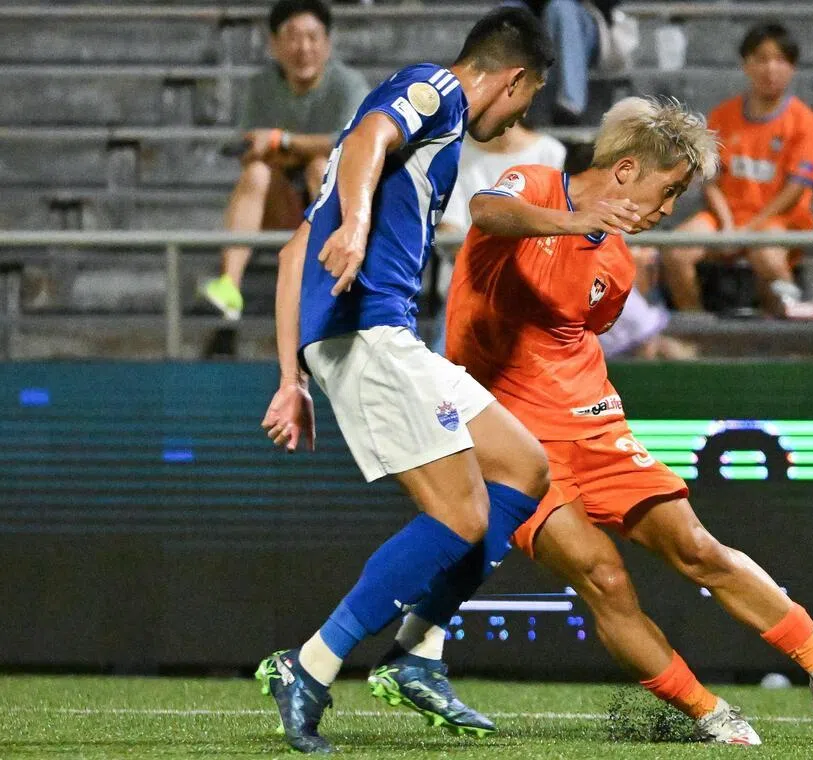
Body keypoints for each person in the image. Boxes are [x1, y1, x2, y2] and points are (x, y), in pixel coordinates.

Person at [368, 97, 813, 745]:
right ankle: (711, 714)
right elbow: (485, 213)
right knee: (605, 577)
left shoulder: (617, 263)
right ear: (624, 171)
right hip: (511, 443)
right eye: (669, 189)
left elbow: (578, 338)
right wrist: (571, 220)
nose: (671, 208)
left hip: (594, 427)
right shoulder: (535, 187)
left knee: (698, 549)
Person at [253, 9, 554, 754]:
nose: (521, 115)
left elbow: (296, 252)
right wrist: (357, 228)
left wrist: (290, 376)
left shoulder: (414, 124)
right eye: (528, 99)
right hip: (370, 336)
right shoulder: (436, 92)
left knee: (523, 467)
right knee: (461, 516)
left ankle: (417, 653)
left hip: (371, 339)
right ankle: (311, 666)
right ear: (512, 79)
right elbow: (365, 143)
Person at [200, 0, 370, 321]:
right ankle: (229, 288)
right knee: (256, 172)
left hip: (336, 206)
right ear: (274, 44)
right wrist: (288, 148)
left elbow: (350, 144)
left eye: (312, 37)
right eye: (292, 37)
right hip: (281, 203)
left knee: (321, 166)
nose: (303, 47)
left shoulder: (349, 85)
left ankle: (331, 281)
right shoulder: (260, 87)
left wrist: (284, 141)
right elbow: (252, 149)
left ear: (327, 43)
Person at [661, 23, 813, 319]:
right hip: (726, 216)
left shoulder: (804, 122)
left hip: (779, 221)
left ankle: (794, 334)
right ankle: (699, 329)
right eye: (761, 59)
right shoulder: (723, 115)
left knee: (767, 256)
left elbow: (795, 189)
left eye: (780, 60)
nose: (770, 68)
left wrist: (750, 230)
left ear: (792, 68)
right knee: (676, 251)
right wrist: (726, 224)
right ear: (745, 64)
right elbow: (710, 180)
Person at [432, 123, 567, 353]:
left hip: (531, 300)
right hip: (465, 295)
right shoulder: (453, 152)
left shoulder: (551, 153)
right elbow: (450, 233)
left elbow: (552, 235)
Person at [505, 0, 630, 126]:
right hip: (535, 19)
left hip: (583, 24)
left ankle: (570, 105)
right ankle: (507, 106)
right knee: (509, 11)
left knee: (561, 7)